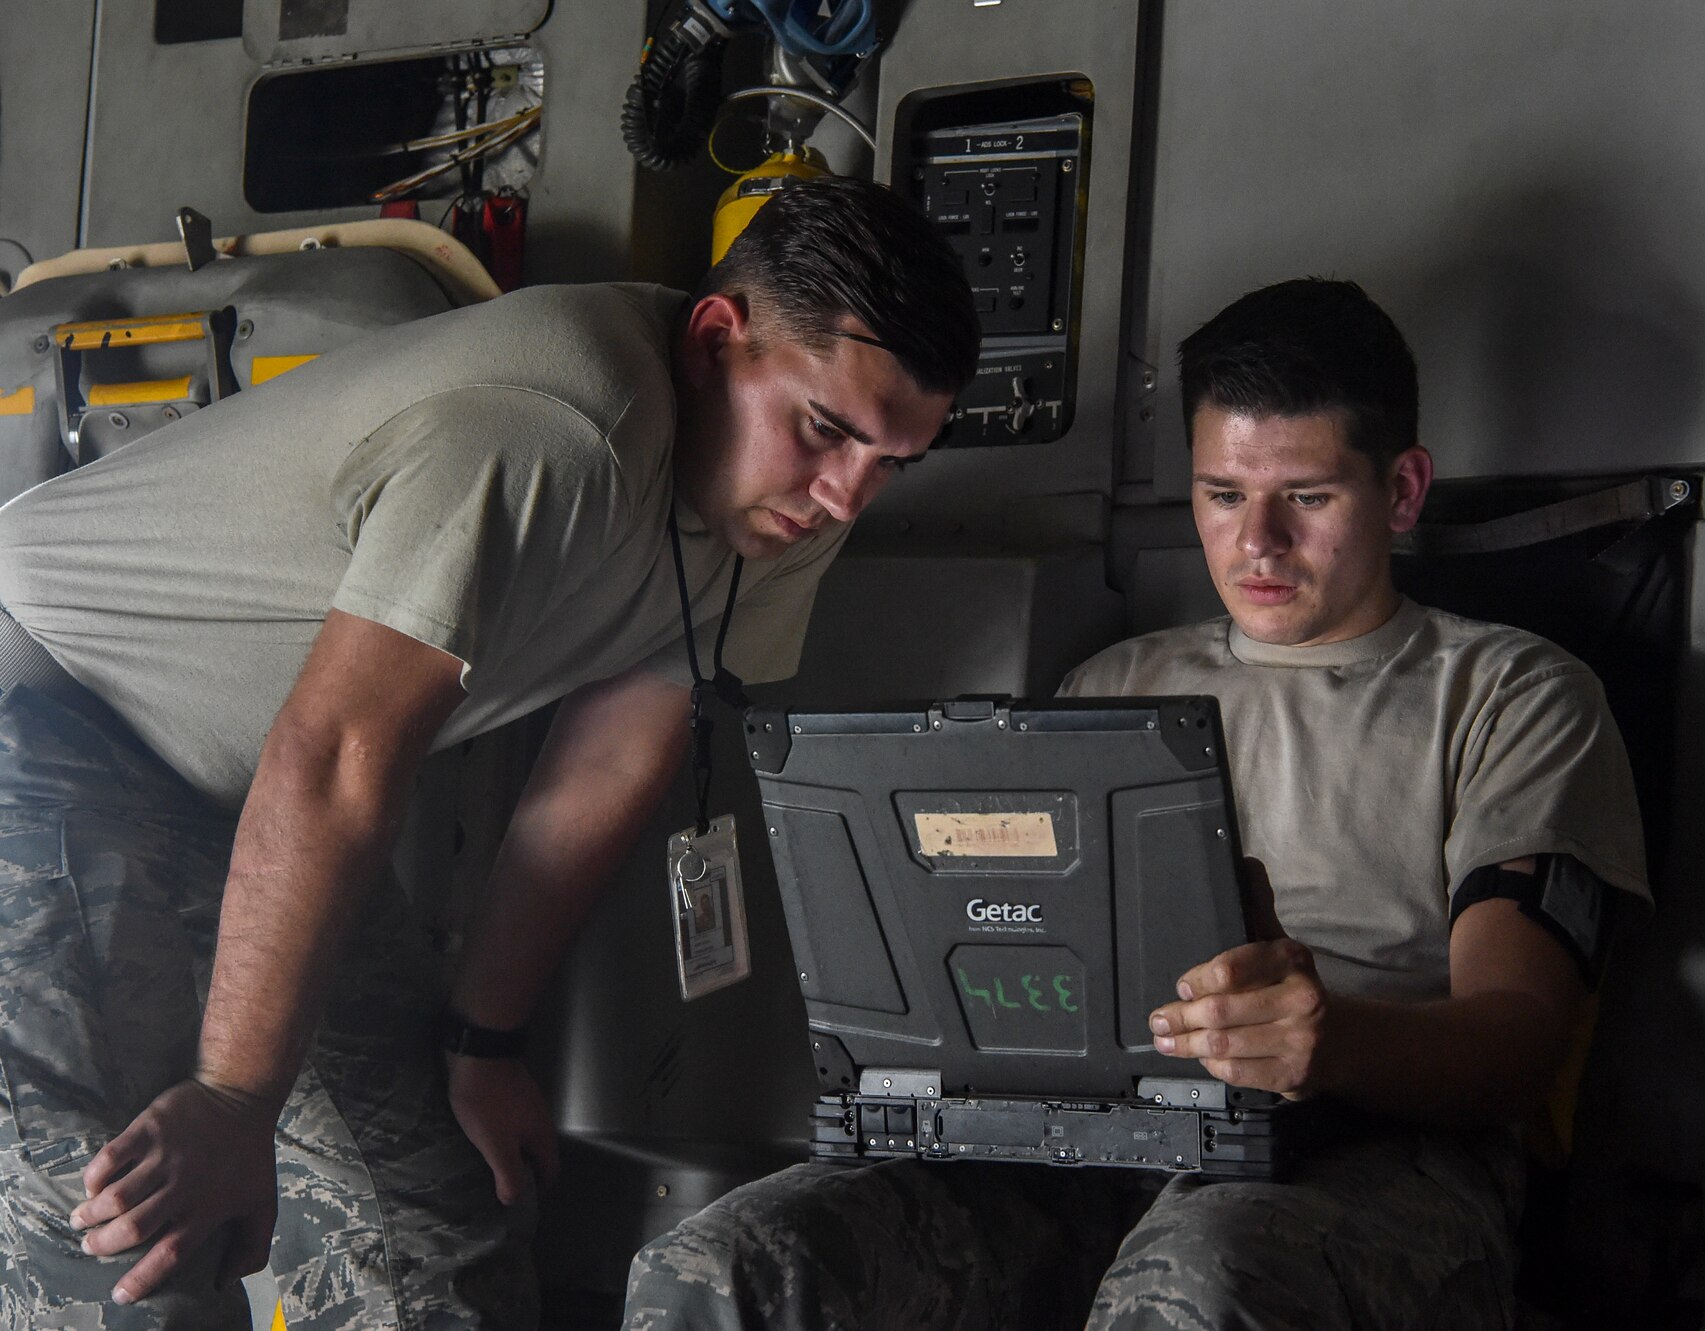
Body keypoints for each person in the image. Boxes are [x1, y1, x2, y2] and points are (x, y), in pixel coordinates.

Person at [0, 176, 978, 1329]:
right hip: (52, 705)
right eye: (829, 430)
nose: (845, 496)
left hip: (249, 786)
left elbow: (611, 762)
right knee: (126, 1241)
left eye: (891, 462)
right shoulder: (559, 422)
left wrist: (481, 1038)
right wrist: (233, 1096)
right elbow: (335, 755)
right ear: (718, 337)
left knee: (430, 1242)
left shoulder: (780, 505)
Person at [620, 276, 1653, 1330]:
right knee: (720, 1266)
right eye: (1219, 494)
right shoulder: (1112, 689)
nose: (1255, 540)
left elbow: (1518, 1041)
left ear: (1398, 490)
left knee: (1194, 1288)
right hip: (1093, 1140)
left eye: (1304, 495)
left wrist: (1326, 1040)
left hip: (1378, 1149)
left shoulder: (1513, 697)